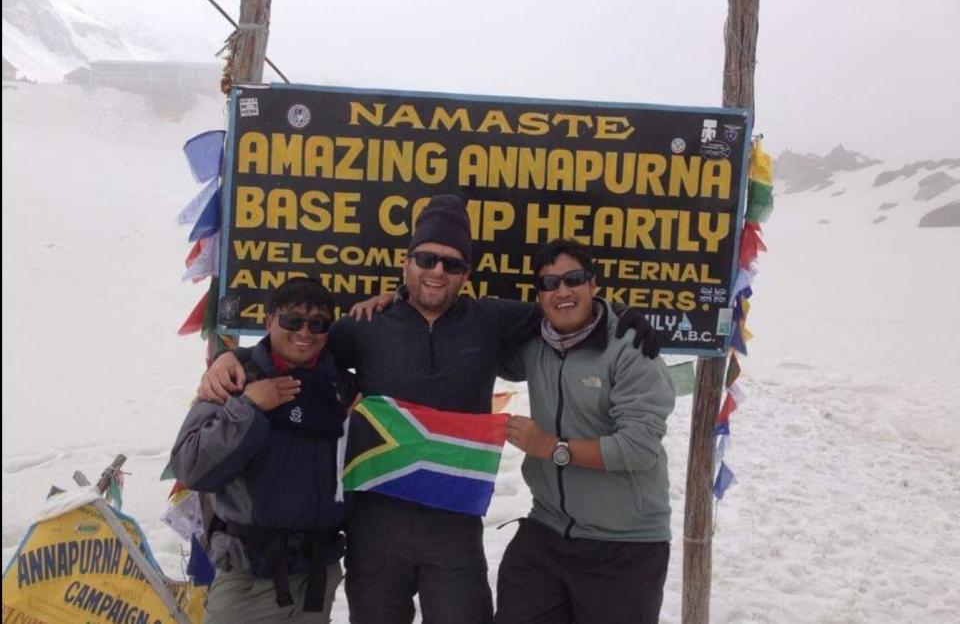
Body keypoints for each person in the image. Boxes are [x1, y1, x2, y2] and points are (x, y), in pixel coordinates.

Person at [200, 195, 658, 624]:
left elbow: (568, 309)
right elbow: (296, 347)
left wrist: (622, 316)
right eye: (426, 259)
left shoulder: (491, 319)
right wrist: (232, 359)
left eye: (452, 263)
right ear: (407, 263)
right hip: (377, 527)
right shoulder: (366, 324)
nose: (437, 271)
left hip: (453, 530)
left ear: (466, 273)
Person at [494, 238, 676, 624]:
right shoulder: (535, 344)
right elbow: (465, 335)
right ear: (538, 297)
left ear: (593, 284)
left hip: (623, 545)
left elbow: (638, 447)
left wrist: (550, 447)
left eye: (573, 279)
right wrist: (398, 302)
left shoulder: (630, 346)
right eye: (549, 284)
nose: (562, 291)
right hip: (547, 533)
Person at [170, 278, 355, 623]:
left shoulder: (343, 387)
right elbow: (190, 466)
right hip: (248, 579)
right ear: (269, 320)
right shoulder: (234, 379)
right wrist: (249, 407)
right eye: (292, 320)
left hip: (316, 580)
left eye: (318, 323)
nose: (305, 332)